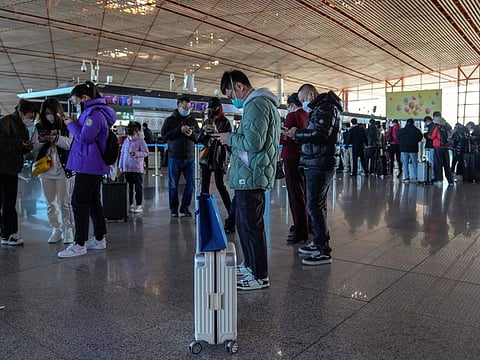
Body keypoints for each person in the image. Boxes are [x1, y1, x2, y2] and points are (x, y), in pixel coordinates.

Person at [215, 70, 280, 290]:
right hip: (251, 173)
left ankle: (260, 275)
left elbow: (253, 142)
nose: (231, 98)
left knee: (251, 225)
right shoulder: (261, 104)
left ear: (240, 87)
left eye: (230, 93)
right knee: (245, 223)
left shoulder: (256, 105)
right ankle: (251, 265)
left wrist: (228, 138)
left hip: (252, 174)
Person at [57, 81, 116, 258]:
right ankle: (99, 239)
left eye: (76, 101)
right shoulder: (92, 112)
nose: (75, 104)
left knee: (78, 202)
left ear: (85, 98)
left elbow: (84, 138)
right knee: (92, 202)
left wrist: (70, 124)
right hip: (91, 163)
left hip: (89, 164)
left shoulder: (94, 115)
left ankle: (79, 243)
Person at [286, 85, 342, 266]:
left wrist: (297, 133)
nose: (303, 103)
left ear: (310, 94)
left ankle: (323, 250)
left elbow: (320, 134)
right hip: (317, 161)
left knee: (314, 205)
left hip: (320, 162)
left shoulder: (326, 107)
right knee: (317, 205)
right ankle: (319, 242)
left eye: (303, 99)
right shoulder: (322, 107)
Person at [32, 98, 75, 244]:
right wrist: (41, 140)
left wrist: (56, 138)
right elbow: (34, 147)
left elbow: (71, 144)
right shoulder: (39, 126)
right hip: (45, 169)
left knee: (65, 202)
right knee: (50, 202)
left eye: (52, 112)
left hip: (63, 170)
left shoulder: (66, 125)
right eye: (46, 113)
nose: (49, 115)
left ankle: (68, 228)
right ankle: (56, 228)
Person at [0, 100, 36, 246]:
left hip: (12, 169)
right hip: (2, 168)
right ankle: (6, 233)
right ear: (21, 113)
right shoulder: (5, 122)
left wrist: (27, 148)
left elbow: (20, 147)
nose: (31, 119)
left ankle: (9, 233)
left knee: (10, 202)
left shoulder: (23, 127)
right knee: (4, 202)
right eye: (30, 116)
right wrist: (19, 144)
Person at [161, 96, 199, 217]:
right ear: (178, 106)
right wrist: (179, 130)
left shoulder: (193, 121)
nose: (187, 109)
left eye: (189, 107)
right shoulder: (169, 121)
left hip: (190, 158)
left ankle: (185, 207)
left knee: (191, 184)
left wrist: (191, 134)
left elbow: (197, 138)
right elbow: (165, 135)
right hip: (174, 157)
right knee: (173, 185)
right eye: (184, 107)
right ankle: (173, 209)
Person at [195, 97, 232, 217]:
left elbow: (228, 140)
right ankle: (202, 212)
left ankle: (231, 212)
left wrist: (217, 132)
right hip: (207, 156)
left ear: (219, 108)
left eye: (213, 108)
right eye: (210, 108)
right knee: (204, 185)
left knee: (220, 184)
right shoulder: (207, 121)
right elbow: (200, 139)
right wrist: (205, 131)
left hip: (219, 156)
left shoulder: (225, 122)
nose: (211, 110)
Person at [280, 93, 309, 244]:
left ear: (291, 104)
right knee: (304, 192)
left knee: (295, 194)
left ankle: (300, 230)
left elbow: (285, 139)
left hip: (291, 157)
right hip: (304, 157)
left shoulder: (292, 116)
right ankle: (307, 224)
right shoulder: (307, 115)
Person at [119, 122, 148, 213]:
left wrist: (135, 154)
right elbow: (122, 154)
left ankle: (139, 205)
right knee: (129, 188)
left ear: (137, 131)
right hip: (127, 168)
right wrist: (121, 166)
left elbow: (145, 152)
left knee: (138, 187)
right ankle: (130, 204)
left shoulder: (140, 140)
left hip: (137, 168)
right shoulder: (126, 141)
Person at [429, 111, 454, 185]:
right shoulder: (447, 125)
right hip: (446, 147)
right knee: (447, 164)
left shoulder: (436, 125)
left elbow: (431, 136)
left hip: (438, 147)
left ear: (435, 117)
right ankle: (450, 181)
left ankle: (439, 180)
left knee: (437, 164)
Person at [398, 118, 423, 183]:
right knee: (415, 163)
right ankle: (417, 177)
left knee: (405, 164)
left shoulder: (401, 130)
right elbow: (420, 138)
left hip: (404, 149)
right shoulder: (416, 130)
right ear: (413, 123)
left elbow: (398, 138)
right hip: (413, 149)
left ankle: (406, 178)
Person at [423, 116, 436, 181]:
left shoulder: (432, 127)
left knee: (431, 160)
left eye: (425, 122)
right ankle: (433, 174)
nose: (425, 124)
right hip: (432, 146)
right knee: (432, 160)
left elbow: (430, 136)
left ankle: (432, 175)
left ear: (428, 121)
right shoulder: (433, 126)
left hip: (431, 146)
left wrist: (425, 135)